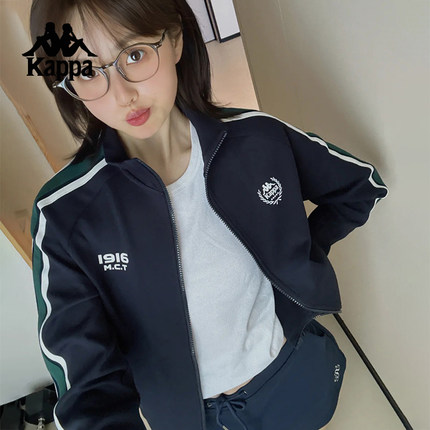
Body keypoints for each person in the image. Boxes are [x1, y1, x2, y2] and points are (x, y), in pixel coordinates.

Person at [29, 0, 388, 429]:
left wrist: (297, 256)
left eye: (135, 55)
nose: (122, 94)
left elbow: (359, 187)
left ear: (175, 39)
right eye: (88, 72)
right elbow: (88, 388)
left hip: (292, 374)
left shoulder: (258, 138)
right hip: (191, 418)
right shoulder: (65, 214)